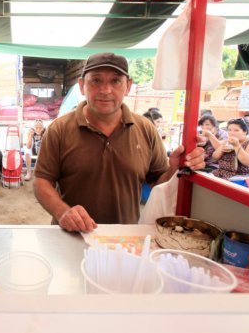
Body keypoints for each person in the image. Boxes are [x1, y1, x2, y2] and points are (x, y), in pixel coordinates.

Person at [33, 52, 206, 232]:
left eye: (115, 81)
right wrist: (63, 212)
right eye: (96, 81)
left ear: (128, 86)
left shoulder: (145, 129)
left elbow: (158, 183)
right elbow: (41, 181)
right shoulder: (59, 129)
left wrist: (174, 168)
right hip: (72, 235)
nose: (105, 90)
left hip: (125, 239)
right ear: (82, 86)